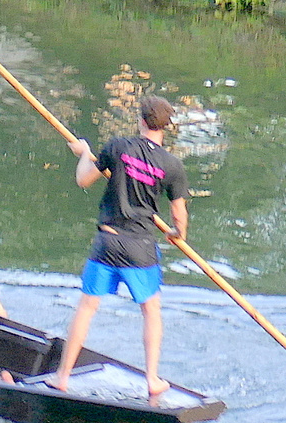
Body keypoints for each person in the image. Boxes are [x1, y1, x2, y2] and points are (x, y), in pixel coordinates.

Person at [53, 96, 190, 400]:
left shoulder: (117, 147)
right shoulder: (172, 165)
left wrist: (84, 153)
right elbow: (179, 215)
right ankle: (153, 379)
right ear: (165, 128)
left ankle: (62, 377)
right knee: (151, 311)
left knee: (87, 307)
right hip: (141, 247)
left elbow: (83, 179)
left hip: (108, 241)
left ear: (141, 121)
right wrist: (176, 233)